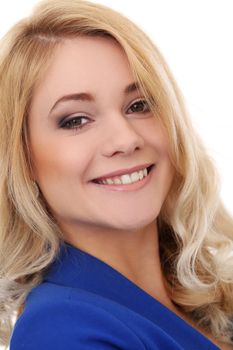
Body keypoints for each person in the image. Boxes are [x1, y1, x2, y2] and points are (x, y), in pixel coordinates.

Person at [0, 0, 233, 349]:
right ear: (23, 157)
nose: (126, 139)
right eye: (76, 119)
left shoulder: (210, 294)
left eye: (139, 105)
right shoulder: (60, 332)